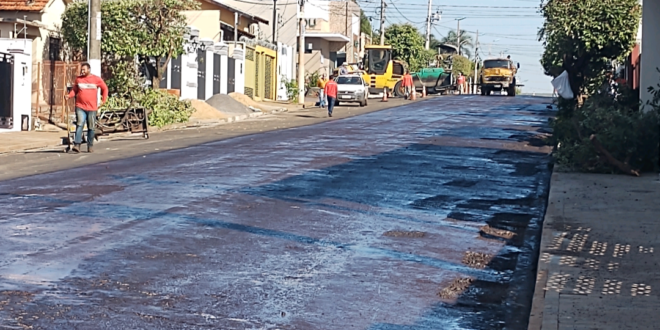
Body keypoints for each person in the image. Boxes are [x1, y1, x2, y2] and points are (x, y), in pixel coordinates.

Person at [65, 63, 108, 153]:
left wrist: (103, 100)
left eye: (84, 69)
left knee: (91, 127)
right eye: (82, 69)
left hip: (92, 108)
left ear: (89, 70)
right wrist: (69, 96)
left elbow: (104, 88)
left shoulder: (96, 79)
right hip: (80, 106)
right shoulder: (78, 79)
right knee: (80, 124)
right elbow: (74, 90)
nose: (82, 71)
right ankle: (77, 144)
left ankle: (90, 145)